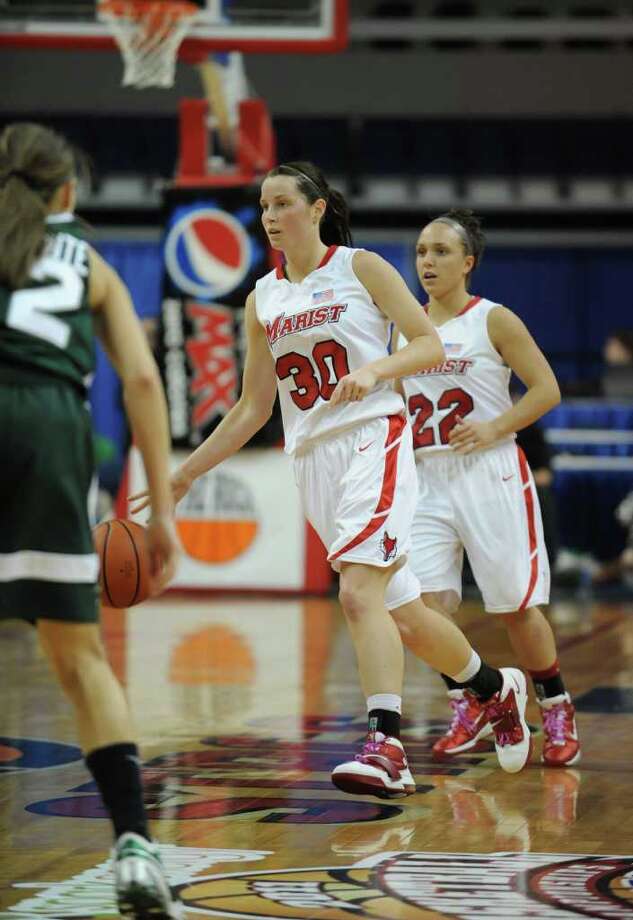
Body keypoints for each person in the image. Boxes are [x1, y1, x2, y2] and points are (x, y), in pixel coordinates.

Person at [131, 162, 533, 796]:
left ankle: (386, 745)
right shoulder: (262, 297)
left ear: (316, 210)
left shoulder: (360, 267)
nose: (269, 216)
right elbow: (252, 407)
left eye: (282, 202)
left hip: (376, 438)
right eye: (263, 205)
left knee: (355, 595)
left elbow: (428, 345)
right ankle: (494, 689)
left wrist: (377, 373)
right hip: (313, 458)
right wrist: (182, 475)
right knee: (405, 614)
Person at [0, 123, 181, 919]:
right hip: (47, 430)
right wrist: (164, 517)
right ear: (67, 191)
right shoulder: (90, 262)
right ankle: (135, 848)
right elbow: (141, 381)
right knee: (80, 661)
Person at [391, 208, 580, 767]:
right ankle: (472, 698)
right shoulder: (403, 326)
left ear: (468, 263)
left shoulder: (493, 320)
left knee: (514, 608)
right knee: (425, 606)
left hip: (489, 470)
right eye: (422, 250)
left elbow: (546, 389)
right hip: (425, 476)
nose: (427, 260)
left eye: (441, 251)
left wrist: (497, 426)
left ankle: (555, 703)